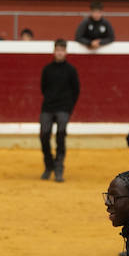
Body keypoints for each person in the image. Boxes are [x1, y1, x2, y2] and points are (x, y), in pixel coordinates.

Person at [38, 39, 80, 182]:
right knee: (44, 135)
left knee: (60, 137)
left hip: (63, 108)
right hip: (48, 107)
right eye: (57, 50)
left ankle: (58, 167)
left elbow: (76, 90)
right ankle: (49, 165)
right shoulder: (47, 69)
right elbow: (43, 88)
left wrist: (68, 108)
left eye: (62, 50)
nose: (60, 53)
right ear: (54, 51)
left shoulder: (71, 70)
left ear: (65, 52)